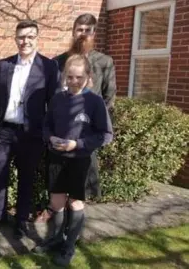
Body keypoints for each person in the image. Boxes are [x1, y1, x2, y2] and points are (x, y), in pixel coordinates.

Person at [34, 14, 117, 223]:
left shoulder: (105, 62)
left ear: (94, 33)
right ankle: (59, 233)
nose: (83, 34)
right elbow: (51, 99)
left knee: (78, 196)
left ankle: (72, 236)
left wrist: (89, 130)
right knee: (58, 192)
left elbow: (109, 99)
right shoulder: (57, 62)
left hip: (84, 141)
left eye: (88, 30)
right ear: (73, 31)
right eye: (80, 29)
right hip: (59, 140)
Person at [33, 54, 113, 266]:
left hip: (81, 160)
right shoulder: (57, 98)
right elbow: (46, 125)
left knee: (75, 203)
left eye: (79, 77)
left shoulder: (94, 102)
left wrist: (77, 144)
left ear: (88, 76)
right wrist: (50, 137)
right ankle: (57, 239)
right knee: (57, 203)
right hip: (57, 158)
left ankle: (69, 247)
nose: (74, 81)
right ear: (64, 77)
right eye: (70, 77)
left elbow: (105, 135)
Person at [0, 20, 60, 238]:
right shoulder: (4, 65)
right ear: (15, 39)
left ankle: (21, 221)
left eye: (30, 36)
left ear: (37, 38)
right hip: (4, 131)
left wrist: (46, 133)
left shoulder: (48, 67)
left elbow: (53, 103)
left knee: (26, 178)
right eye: (21, 37)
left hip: (31, 133)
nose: (25, 41)